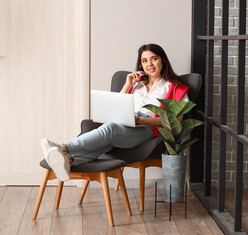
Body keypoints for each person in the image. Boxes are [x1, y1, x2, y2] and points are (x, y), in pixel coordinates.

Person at [40, 43, 189, 182]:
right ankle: (69, 161)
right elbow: (116, 105)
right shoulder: (137, 85)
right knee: (106, 142)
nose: (149, 64)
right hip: (124, 123)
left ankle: (62, 147)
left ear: (162, 60)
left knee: (110, 129)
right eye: (144, 61)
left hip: (147, 129)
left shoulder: (176, 88)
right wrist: (128, 84)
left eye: (153, 59)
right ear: (140, 64)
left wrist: (141, 121)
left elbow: (176, 120)